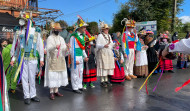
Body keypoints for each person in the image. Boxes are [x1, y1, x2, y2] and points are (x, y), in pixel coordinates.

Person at [10, 12, 44, 105]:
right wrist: (13, 59)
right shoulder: (18, 31)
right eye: (20, 20)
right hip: (22, 58)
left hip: (32, 57)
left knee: (32, 77)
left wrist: (41, 58)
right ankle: (27, 96)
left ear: (28, 21)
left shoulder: (36, 31)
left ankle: (33, 95)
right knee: (24, 77)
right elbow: (15, 46)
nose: (21, 22)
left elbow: (40, 46)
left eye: (23, 20)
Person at [44, 22, 69, 100]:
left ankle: (56, 90)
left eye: (59, 30)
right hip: (53, 59)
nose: (58, 31)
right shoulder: (50, 38)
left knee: (58, 75)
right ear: (53, 29)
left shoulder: (61, 38)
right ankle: (51, 92)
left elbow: (64, 48)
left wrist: (67, 47)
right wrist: (55, 47)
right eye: (57, 29)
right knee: (53, 75)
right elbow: (48, 48)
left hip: (60, 59)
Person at [70, 16, 89, 94]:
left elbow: (83, 48)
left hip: (81, 55)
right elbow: (71, 49)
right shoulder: (73, 37)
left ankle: (79, 85)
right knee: (75, 72)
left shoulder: (83, 36)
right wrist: (74, 59)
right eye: (83, 27)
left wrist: (85, 56)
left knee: (80, 71)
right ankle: (75, 87)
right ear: (79, 28)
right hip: (75, 56)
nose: (85, 28)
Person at [96, 21, 115, 87]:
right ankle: (102, 81)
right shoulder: (100, 36)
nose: (107, 30)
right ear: (103, 30)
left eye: (107, 29)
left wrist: (114, 44)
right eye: (105, 29)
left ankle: (106, 80)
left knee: (107, 67)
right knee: (103, 67)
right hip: (102, 53)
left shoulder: (109, 36)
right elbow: (97, 45)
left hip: (108, 53)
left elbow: (111, 44)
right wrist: (103, 45)